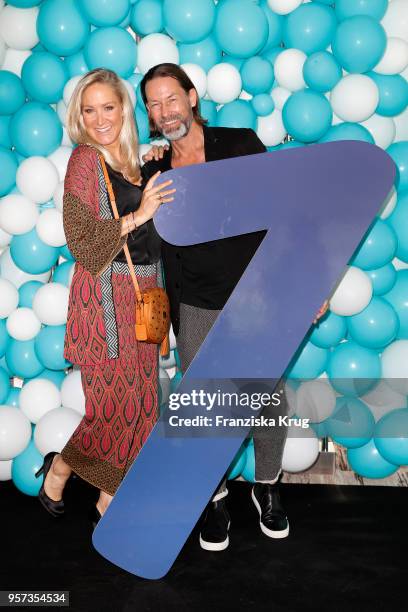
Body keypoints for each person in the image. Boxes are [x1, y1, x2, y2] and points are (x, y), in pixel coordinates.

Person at [140, 63, 293, 552]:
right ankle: (217, 496)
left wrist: (303, 285)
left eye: (171, 99)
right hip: (195, 304)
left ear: (191, 97)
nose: (165, 112)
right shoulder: (154, 168)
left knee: (268, 401)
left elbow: (282, 213)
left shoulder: (240, 143)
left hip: (256, 298)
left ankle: (266, 487)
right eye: (154, 105)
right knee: (209, 409)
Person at [34, 68, 175, 526]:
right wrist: (141, 213)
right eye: (89, 110)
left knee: (142, 405)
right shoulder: (83, 161)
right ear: (80, 116)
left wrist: (154, 164)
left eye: (108, 107)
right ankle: (107, 502)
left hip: (143, 296)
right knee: (116, 407)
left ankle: (60, 468)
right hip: (104, 302)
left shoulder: (134, 161)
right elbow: (82, 243)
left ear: (124, 109)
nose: (99, 119)